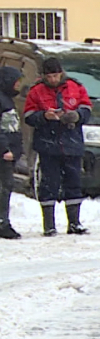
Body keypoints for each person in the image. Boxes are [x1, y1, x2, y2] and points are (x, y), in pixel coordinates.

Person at [23, 57, 92, 236]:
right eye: (49, 76)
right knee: (49, 185)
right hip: (48, 145)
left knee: (74, 183)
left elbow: (87, 108)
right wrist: (44, 116)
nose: (53, 79)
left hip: (71, 142)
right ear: (44, 76)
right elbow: (28, 116)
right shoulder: (36, 91)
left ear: (61, 73)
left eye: (55, 75)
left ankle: (74, 223)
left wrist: (76, 116)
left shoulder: (75, 87)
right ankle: (49, 226)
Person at [0, 65, 24, 239]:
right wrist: (5, 149)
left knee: (6, 187)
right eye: (16, 81)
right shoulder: (2, 100)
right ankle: (3, 223)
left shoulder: (7, 99)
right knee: (4, 188)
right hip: (4, 154)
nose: (18, 85)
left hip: (9, 153)